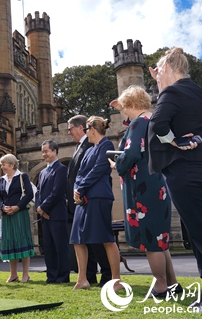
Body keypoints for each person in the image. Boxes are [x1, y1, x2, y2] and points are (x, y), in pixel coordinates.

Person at [148, 47, 202, 312]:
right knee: (199, 234)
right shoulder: (196, 91)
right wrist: (160, 81)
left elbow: (158, 123)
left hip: (185, 170)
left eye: (159, 69)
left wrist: (173, 141)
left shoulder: (171, 92)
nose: (157, 73)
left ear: (170, 68)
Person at [109, 86, 180, 297]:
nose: (123, 113)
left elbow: (130, 153)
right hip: (157, 185)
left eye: (124, 108)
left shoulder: (139, 123)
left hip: (143, 189)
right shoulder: (151, 121)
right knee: (161, 240)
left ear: (132, 105)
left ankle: (160, 286)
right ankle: (173, 284)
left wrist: (116, 165)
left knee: (152, 241)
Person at [71, 116, 124, 291]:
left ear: (92, 130)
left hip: (99, 197)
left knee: (106, 238)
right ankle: (82, 279)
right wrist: (76, 190)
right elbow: (79, 173)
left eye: (86, 130)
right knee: (78, 239)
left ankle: (116, 280)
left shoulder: (106, 145)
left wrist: (82, 188)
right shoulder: (88, 150)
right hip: (84, 199)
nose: (86, 133)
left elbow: (99, 169)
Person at [0, 154, 35, 283]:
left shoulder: (22, 176)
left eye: (3, 164)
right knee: (10, 242)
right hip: (6, 215)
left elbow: (29, 194)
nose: (2, 167)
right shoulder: (2, 179)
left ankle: (25, 274)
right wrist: (3, 207)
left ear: (12, 165)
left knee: (22, 241)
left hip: (20, 213)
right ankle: (13, 274)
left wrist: (17, 207)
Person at [36, 140, 70, 284]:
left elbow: (57, 192)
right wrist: (40, 209)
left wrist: (43, 208)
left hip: (57, 214)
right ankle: (51, 276)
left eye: (46, 151)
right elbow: (38, 192)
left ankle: (62, 277)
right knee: (48, 247)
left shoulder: (61, 169)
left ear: (54, 151)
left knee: (60, 247)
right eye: (42, 151)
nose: (44, 154)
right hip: (45, 216)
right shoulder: (43, 172)